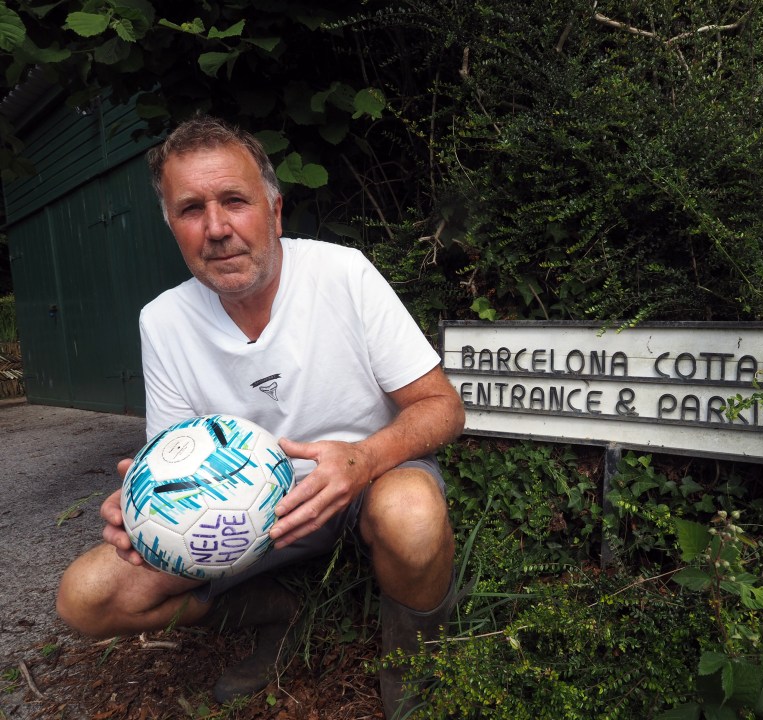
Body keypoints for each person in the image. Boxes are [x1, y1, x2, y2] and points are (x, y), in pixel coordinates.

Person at [56, 114, 465, 718]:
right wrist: (140, 508)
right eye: (191, 209)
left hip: (364, 487)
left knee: (412, 514)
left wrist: (364, 458)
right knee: (84, 598)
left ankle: (415, 665)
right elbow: (173, 457)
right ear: (172, 227)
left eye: (235, 202)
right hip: (244, 521)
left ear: (274, 211)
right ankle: (274, 612)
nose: (217, 228)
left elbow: (443, 408)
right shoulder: (163, 321)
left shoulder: (341, 274)